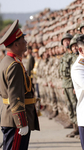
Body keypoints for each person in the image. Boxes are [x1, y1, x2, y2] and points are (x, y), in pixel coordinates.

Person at [0, 20, 40, 150]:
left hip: (10, 118)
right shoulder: (14, 65)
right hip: (15, 121)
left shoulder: (7, 61)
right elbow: (15, 96)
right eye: (23, 40)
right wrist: (21, 122)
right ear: (16, 44)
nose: (26, 43)